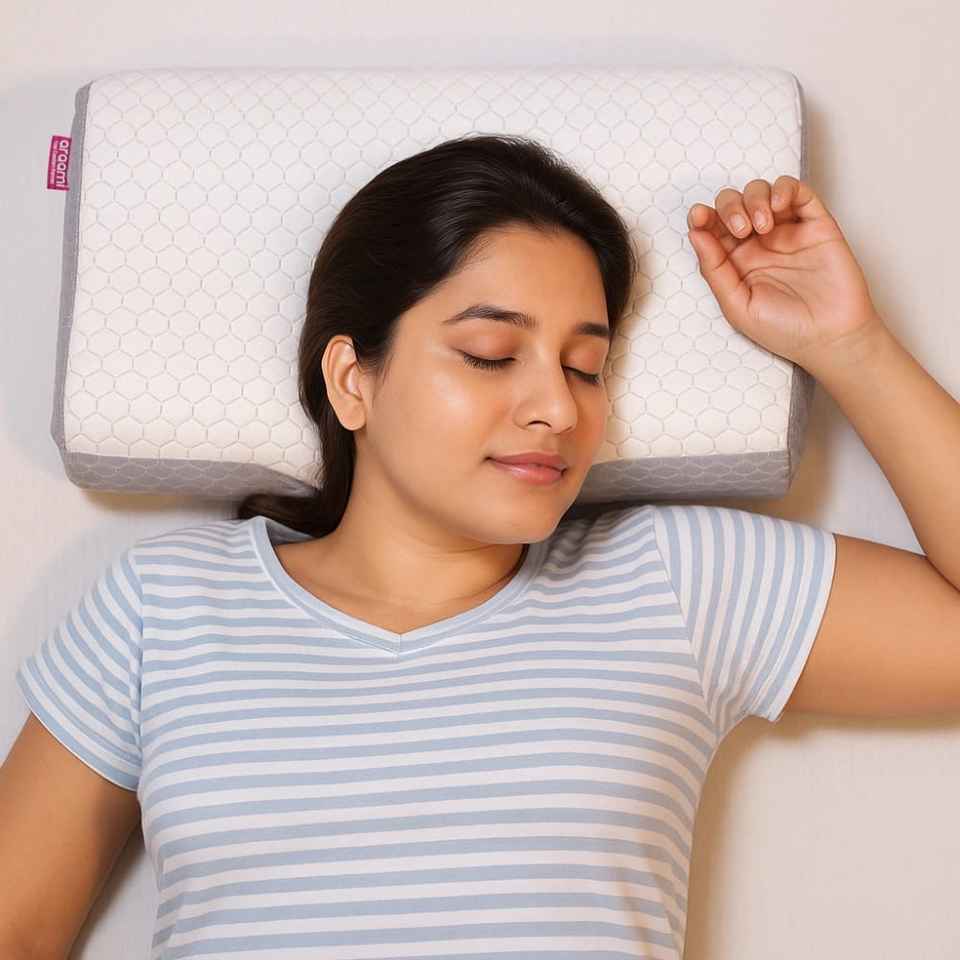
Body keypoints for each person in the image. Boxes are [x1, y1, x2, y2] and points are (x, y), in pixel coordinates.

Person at [4, 133, 960, 960]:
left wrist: (851, 346)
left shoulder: (672, 583)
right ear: (352, 380)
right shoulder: (163, 606)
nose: (557, 409)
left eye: (586, 367)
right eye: (491, 355)